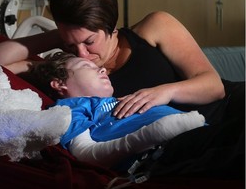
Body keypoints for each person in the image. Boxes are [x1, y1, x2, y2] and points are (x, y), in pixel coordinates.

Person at [0, 0, 244, 127]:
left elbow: (214, 86)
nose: (82, 54)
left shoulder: (155, 27)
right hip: (193, 140)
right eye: (71, 44)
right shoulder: (70, 73)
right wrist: (58, 38)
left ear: (110, 26)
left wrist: (165, 92)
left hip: (230, 107)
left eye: (90, 42)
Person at [31, 51, 205, 169]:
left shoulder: (112, 101)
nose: (102, 68)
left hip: (194, 131)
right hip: (169, 148)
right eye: (87, 66)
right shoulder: (69, 108)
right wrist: (155, 133)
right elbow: (86, 153)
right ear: (59, 83)